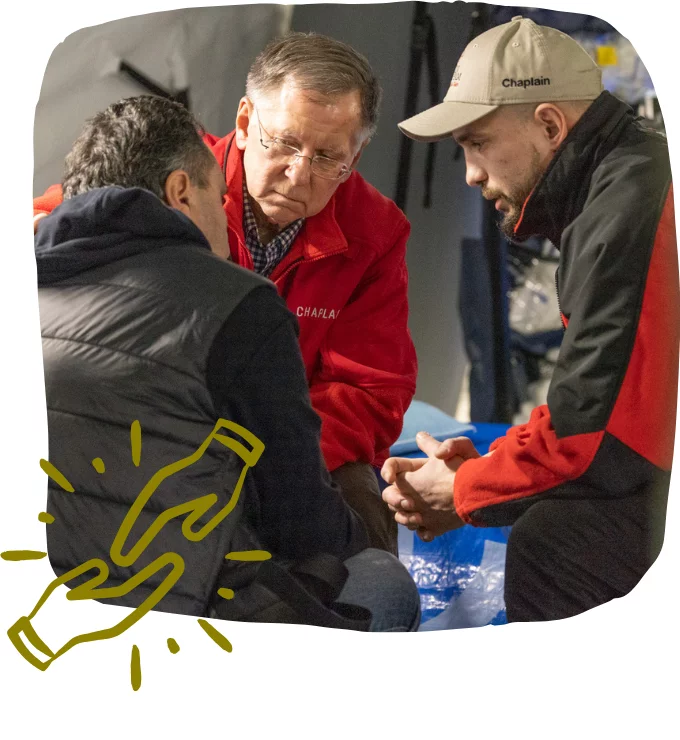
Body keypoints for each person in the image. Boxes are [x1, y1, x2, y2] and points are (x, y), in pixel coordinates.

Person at [36, 95, 420, 631]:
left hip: (40, 612)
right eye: (284, 142)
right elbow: (302, 521)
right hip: (178, 613)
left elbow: (370, 387)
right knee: (381, 583)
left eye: (328, 157)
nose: (299, 172)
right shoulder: (235, 300)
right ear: (181, 192)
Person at [383, 16, 678, 622]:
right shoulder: (625, 182)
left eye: (477, 143)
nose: (470, 173)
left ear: (549, 124)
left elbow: (593, 439)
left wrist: (464, 489)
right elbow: (603, 413)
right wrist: (488, 469)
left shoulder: (625, 211)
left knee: (554, 545)